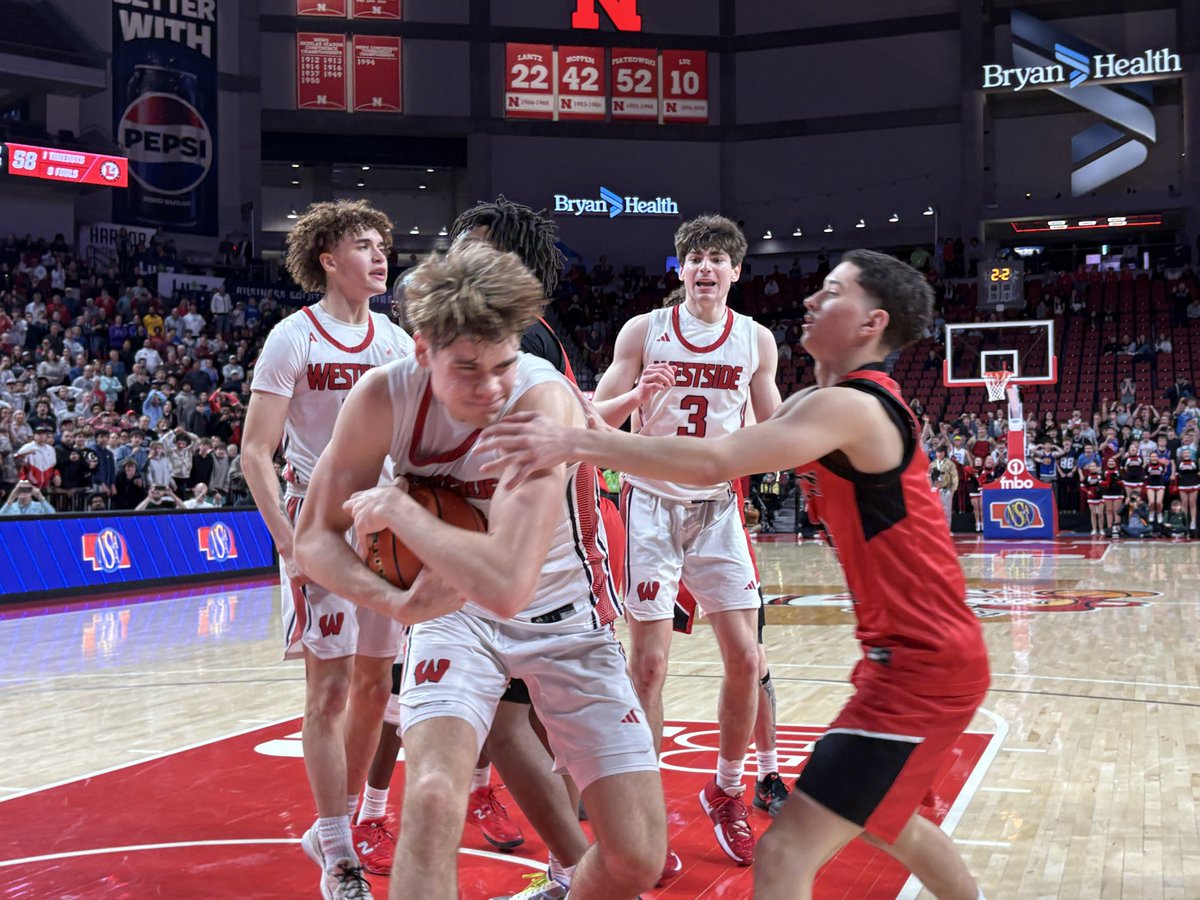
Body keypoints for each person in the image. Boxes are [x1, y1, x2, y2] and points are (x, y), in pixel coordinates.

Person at [478, 248, 991, 900]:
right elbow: (726, 433)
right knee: (893, 826)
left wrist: (581, 441)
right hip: (911, 658)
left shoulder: (852, 409)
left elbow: (717, 457)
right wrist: (586, 407)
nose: (810, 300)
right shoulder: (818, 402)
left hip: (923, 667)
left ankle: (724, 789)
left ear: (872, 323)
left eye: (833, 293)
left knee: (782, 857)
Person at [293, 239, 666, 900]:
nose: (491, 387)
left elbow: (506, 583)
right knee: (433, 797)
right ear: (421, 351)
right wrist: (396, 604)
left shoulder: (540, 403)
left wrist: (405, 517)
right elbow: (314, 538)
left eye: (503, 362)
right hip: (451, 615)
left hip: (558, 614)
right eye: (467, 368)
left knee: (638, 858)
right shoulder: (382, 398)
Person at [582, 214, 779, 867]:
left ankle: (726, 791)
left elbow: (773, 424)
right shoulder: (645, 330)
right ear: (681, 268)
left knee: (748, 660)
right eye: (694, 257)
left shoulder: (755, 340)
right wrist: (639, 393)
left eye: (717, 258)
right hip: (650, 503)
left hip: (718, 506)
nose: (704, 268)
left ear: (734, 271)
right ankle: (641, 807)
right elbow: (594, 416)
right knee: (650, 664)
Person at [242, 199, 415, 899]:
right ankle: (338, 850)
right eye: (363, 245)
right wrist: (290, 543)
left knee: (375, 689)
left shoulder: (397, 342)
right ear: (328, 259)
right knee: (330, 689)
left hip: (383, 523)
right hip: (318, 519)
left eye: (382, 245)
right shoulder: (293, 337)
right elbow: (257, 451)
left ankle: (336, 827)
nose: (379, 256)